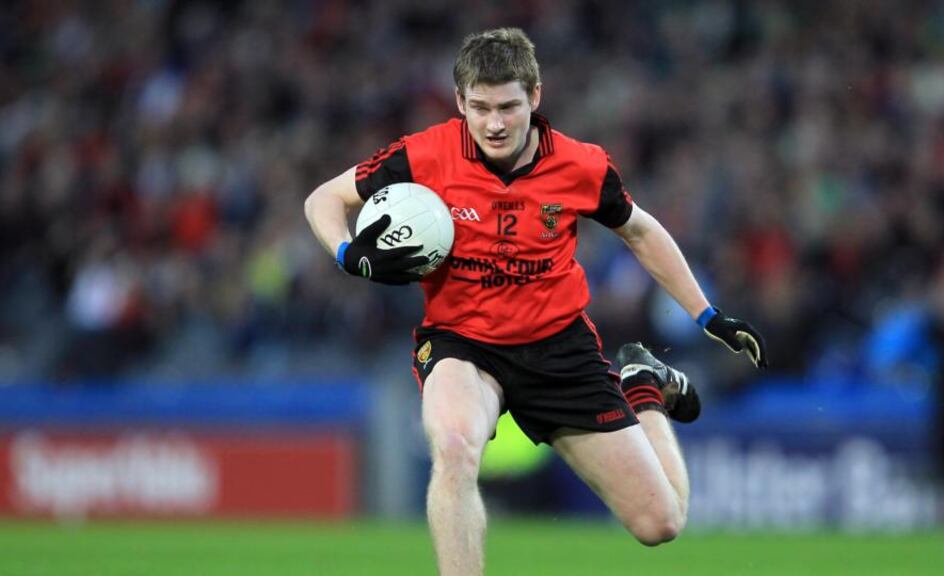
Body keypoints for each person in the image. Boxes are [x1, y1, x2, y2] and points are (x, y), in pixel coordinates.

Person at [305, 28, 767, 576]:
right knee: (453, 448)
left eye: (507, 106)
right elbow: (324, 199)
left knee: (659, 523)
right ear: (460, 103)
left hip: (559, 349)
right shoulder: (425, 154)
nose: (494, 123)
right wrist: (347, 253)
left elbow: (641, 232)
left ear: (535, 98)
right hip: (462, 343)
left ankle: (642, 387)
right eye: (479, 107)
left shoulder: (581, 166)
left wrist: (707, 315)